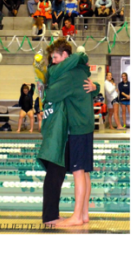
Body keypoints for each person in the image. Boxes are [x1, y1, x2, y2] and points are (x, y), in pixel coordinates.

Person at [38, 38, 100, 226]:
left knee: (78, 172)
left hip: (77, 129)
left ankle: (77, 217)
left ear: (65, 56)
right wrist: (95, 88)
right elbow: (88, 91)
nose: (54, 62)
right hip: (87, 127)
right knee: (86, 173)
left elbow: (51, 94)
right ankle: (85, 214)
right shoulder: (81, 71)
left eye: (55, 58)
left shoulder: (70, 74)